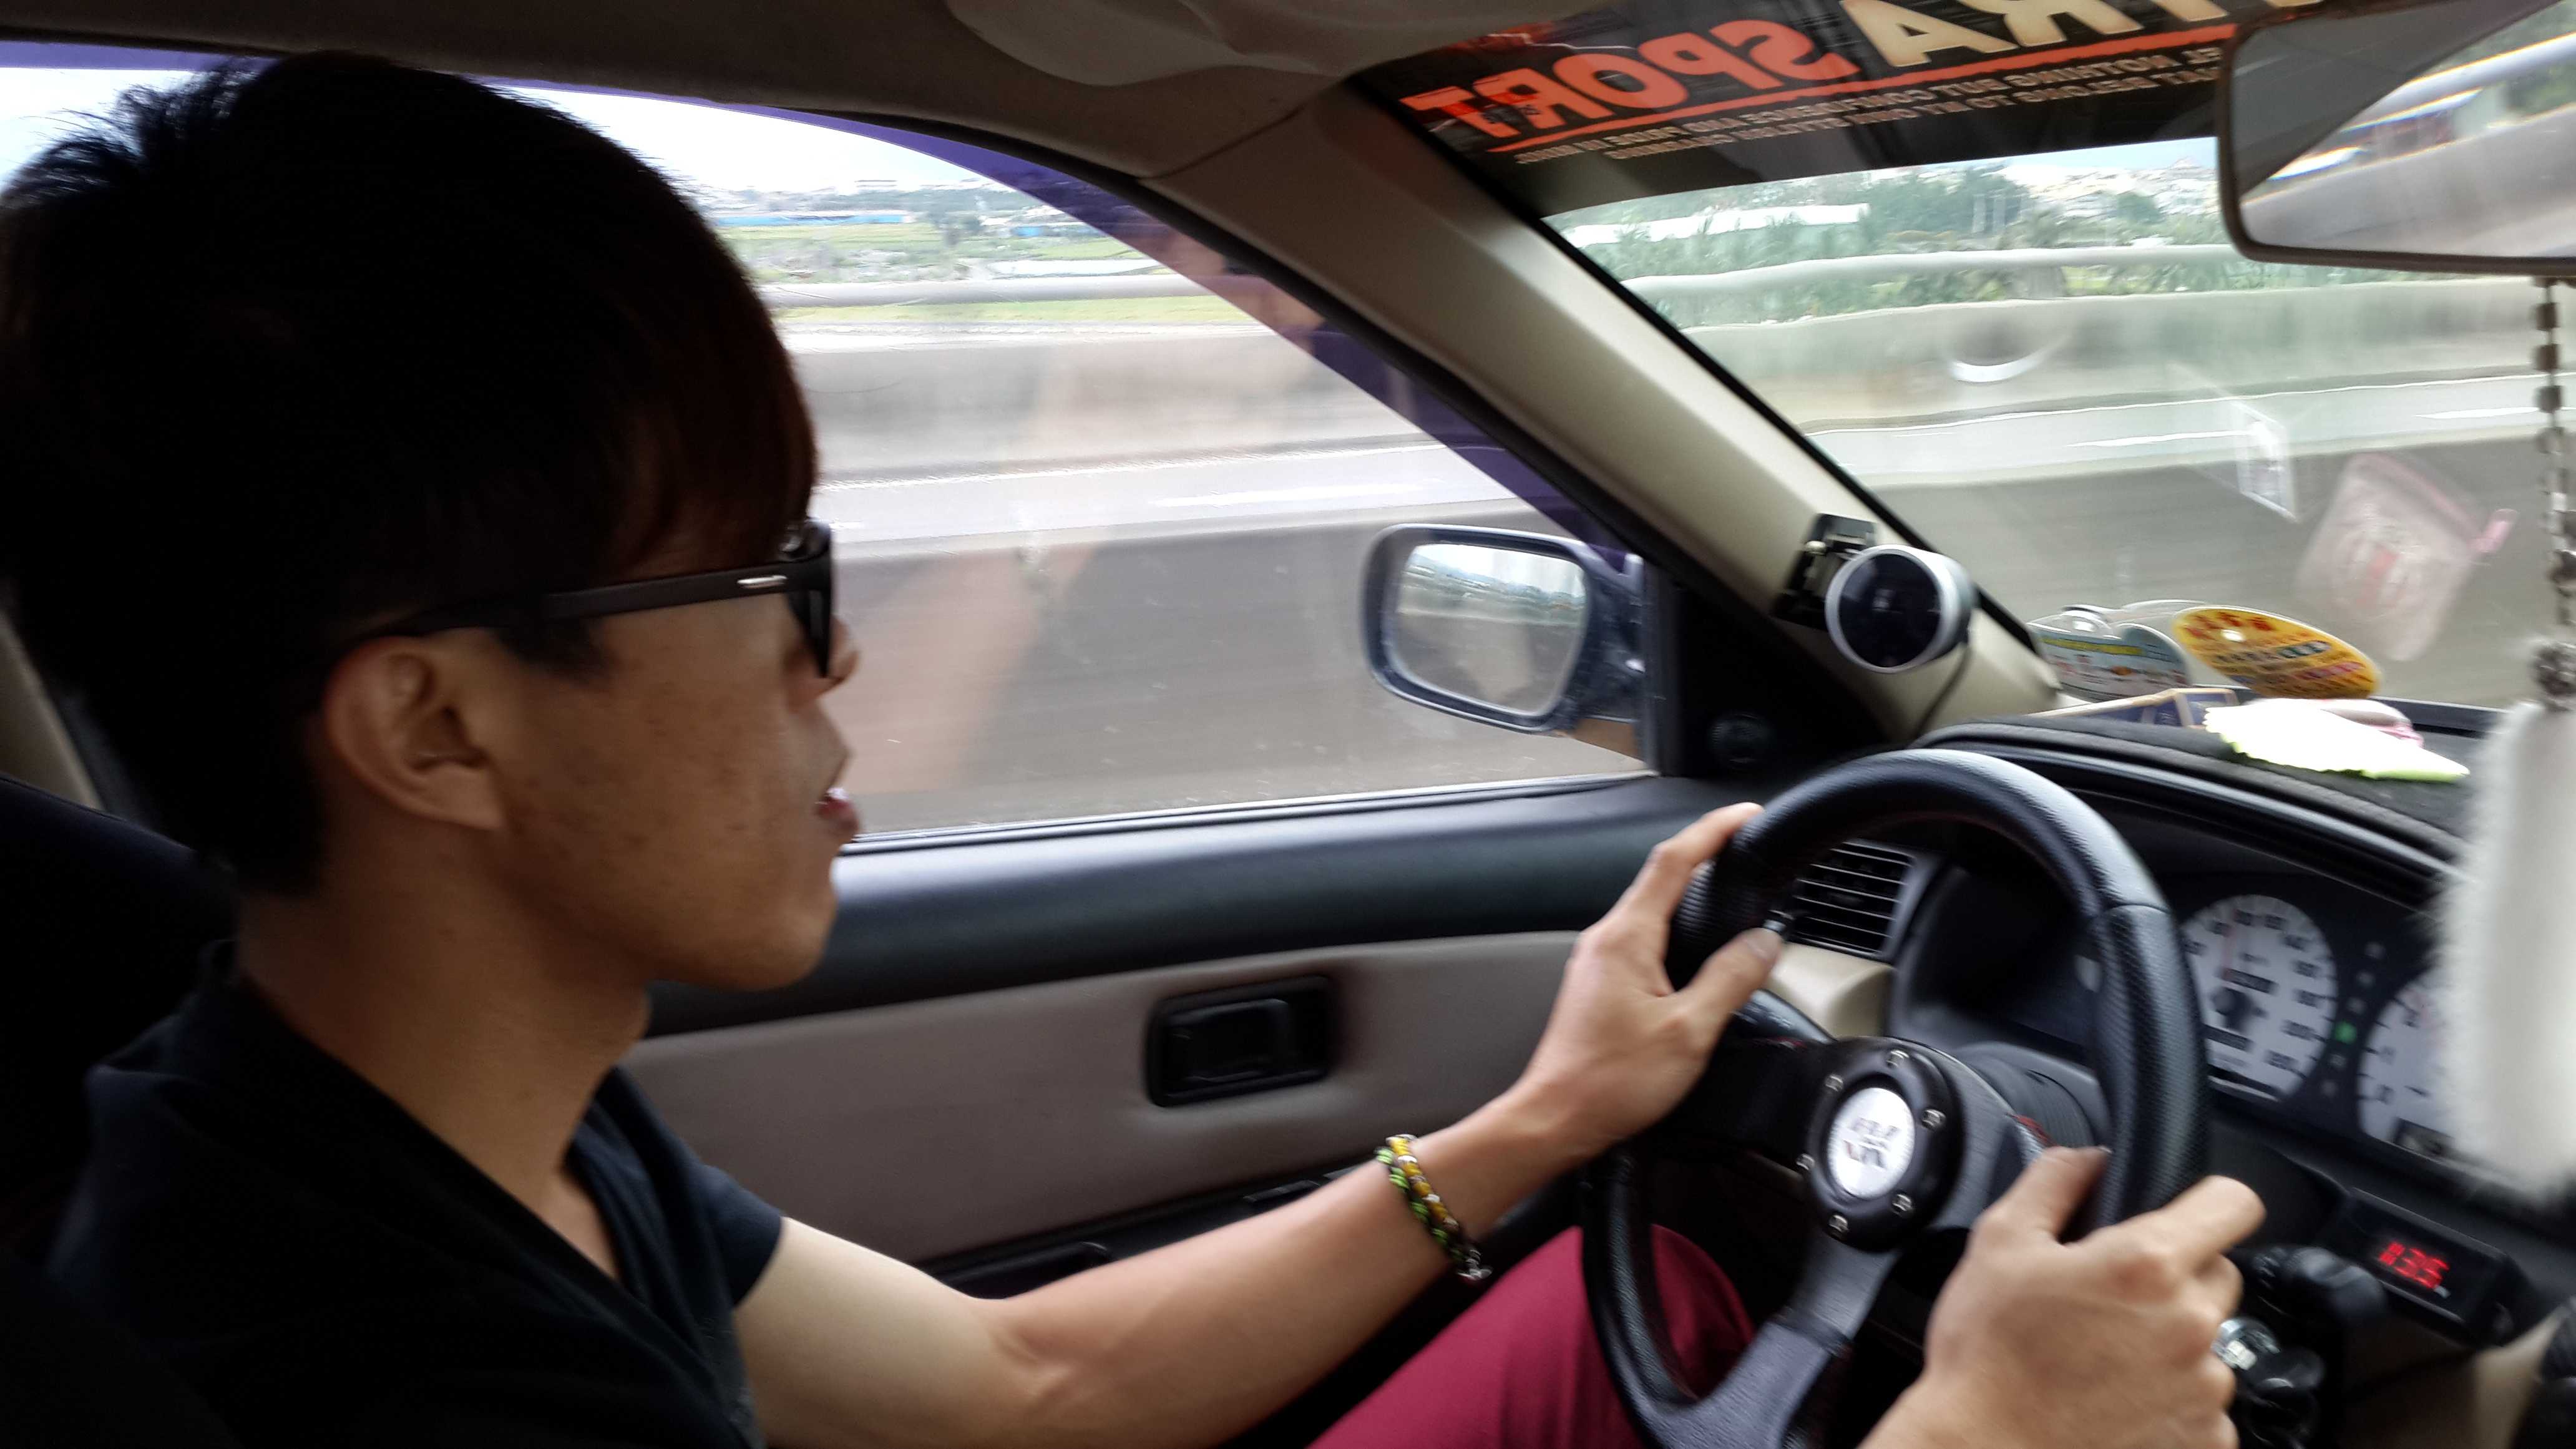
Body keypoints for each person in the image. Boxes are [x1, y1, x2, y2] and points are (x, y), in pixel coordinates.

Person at [0, 55, 2261, 1449]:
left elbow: (1023, 1388)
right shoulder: (383, 1376)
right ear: (435, 724)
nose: (836, 653)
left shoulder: (411, 1118)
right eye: (763, 581)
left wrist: (1543, 1119)